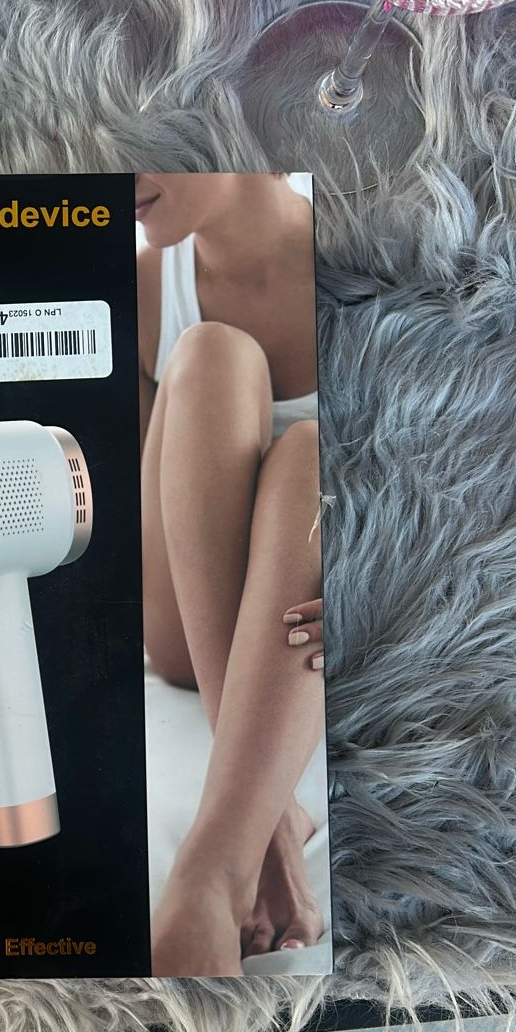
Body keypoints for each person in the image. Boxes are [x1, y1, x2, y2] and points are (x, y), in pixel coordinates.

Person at [137, 171, 327, 977]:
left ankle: (210, 875)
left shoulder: (373, 249)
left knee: (313, 456)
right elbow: (145, 499)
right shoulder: (147, 286)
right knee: (210, 351)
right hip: (189, 621)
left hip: (304, 602)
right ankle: (264, 827)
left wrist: (374, 582)